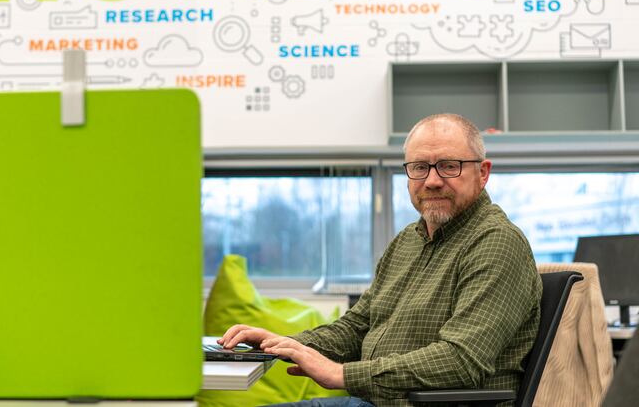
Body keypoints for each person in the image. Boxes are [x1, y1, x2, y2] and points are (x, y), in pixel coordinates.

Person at [219, 114, 542, 407]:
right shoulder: (408, 241)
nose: (431, 180)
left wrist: (342, 375)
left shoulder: (496, 242)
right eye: (419, 167)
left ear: (482, 173)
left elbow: (461, 360)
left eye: (449, 165)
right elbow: (358, 326)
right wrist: (286, 344)